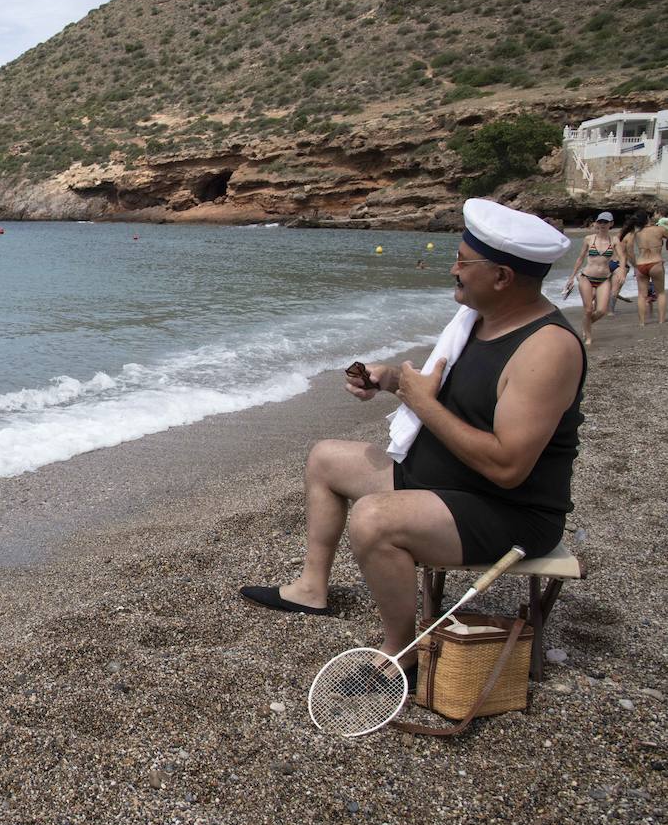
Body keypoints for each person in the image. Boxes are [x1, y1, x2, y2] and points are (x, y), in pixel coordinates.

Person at [240, 200, 584, 681]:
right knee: (325, 459)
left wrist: (420, 402)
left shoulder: (546, 350)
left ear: (502, 277)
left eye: (464, 262)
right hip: (450, 479)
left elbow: (508, 468)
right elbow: (449, 393)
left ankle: (402, 650)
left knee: (374, 519)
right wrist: (391, 380)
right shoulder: (481, 320)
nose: (453, 269)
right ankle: (311, 588)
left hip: (509, 510)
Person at [563, 210, 617, 345]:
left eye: (605, 222)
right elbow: (580, 258)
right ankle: (588, 338)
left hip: (604, 279)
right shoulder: (589, 239)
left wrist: (622, 270)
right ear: (596, 223)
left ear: (611, 223)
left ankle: (586, 325)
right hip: (586, 277)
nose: (602, 224)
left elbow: (622, 258)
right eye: (600, 221)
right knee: (588, 309)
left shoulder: (614, 240)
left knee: (602, 310)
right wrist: (571, 277)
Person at [630, 211, 668, 325]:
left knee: (642, 295)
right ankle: (661, 320)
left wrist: (634, 265)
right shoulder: (659, 229)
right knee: (660, 293)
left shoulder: (636, 233)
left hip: (640, 264)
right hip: (655, 262)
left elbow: (629, 250)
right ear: (647, 218)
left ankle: (642, 322)